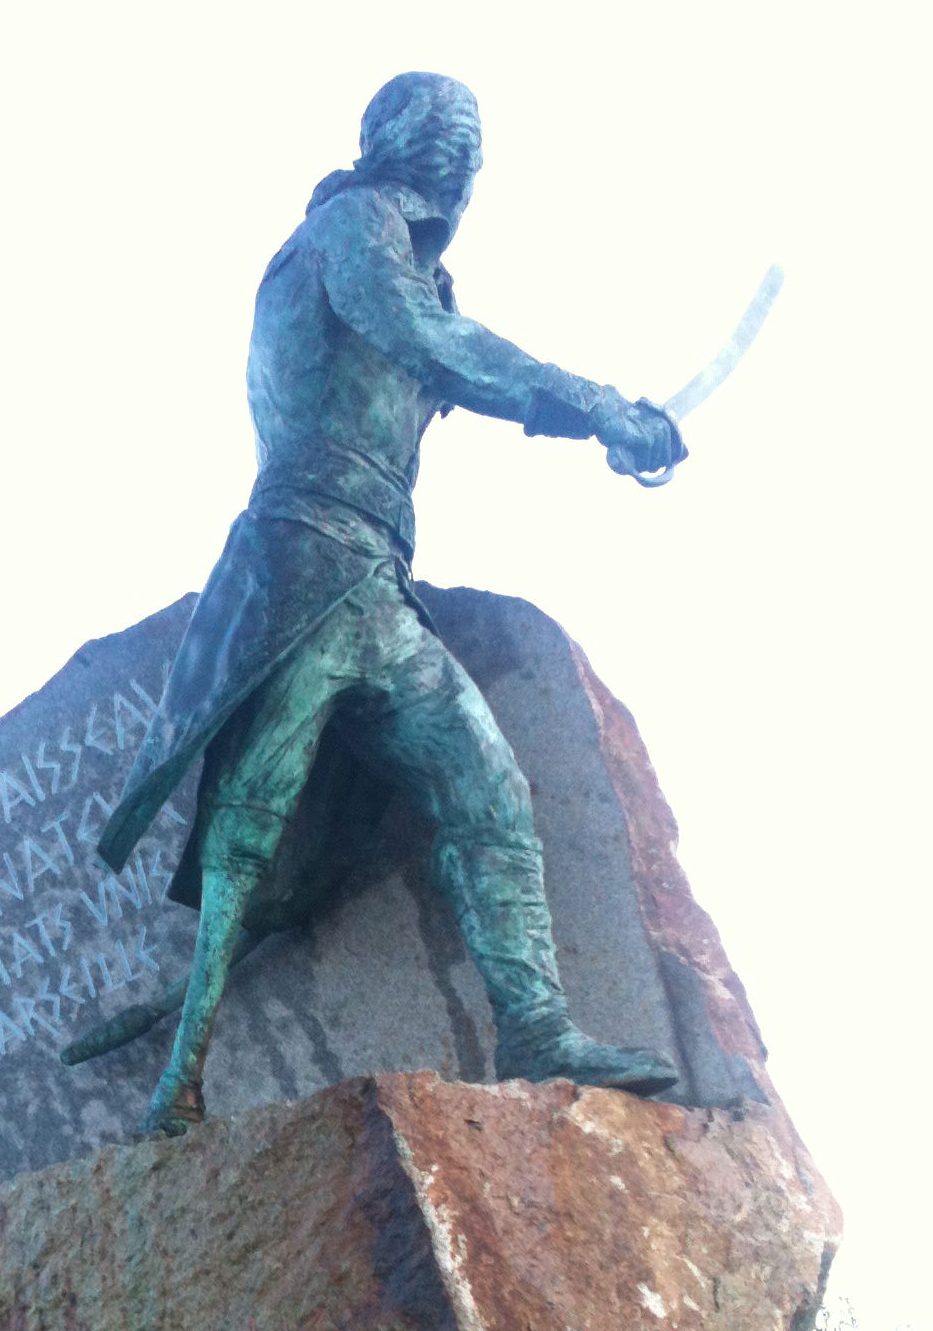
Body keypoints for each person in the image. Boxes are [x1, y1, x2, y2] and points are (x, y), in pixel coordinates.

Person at [91, 72, 685, 1137]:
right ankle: (180, 1083)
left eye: (473, 146)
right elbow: (424, 340)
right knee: (250, 821)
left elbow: (456, 358)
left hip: (377, 582)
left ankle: (538, 1027)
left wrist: (604, 422)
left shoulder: (417, 270)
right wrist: (598, 403)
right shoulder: (351, 231)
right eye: (458, 142)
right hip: (305, 558)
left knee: (487, 784)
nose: (467, 166)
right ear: (418, 150)